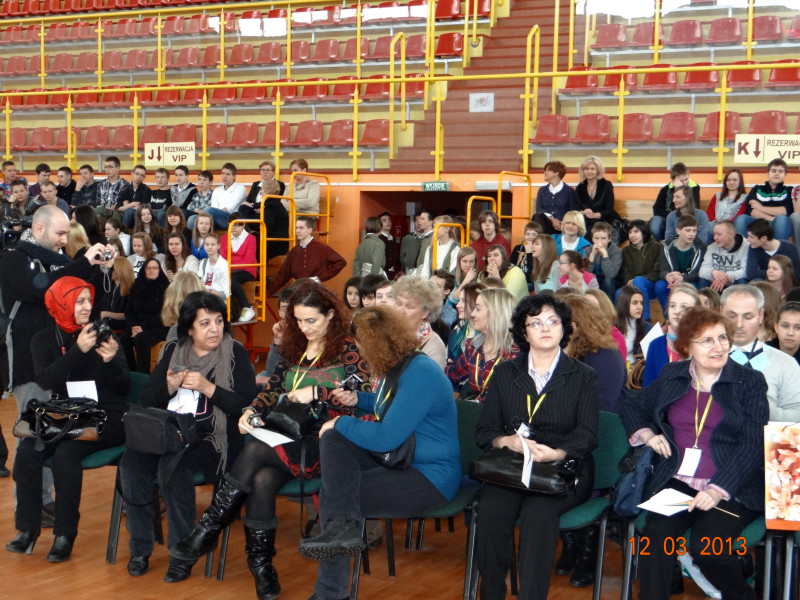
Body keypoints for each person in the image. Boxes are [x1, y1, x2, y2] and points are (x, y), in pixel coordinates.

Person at [170, 282, 370, 596]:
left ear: (331, 315)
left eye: (311, 320)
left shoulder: (350, 348)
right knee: (262, 479)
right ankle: (262, 567)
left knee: (257, 450)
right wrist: (252, 410)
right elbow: (273, 389)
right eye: (299, 321)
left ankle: (208, 529)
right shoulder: (295, 346)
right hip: (289, 436)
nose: (304, 328)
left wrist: (318, 392)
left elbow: (363, 396)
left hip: (330, 442)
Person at [299, 307, 460, 600]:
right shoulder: (400, 365)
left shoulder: (421, 373)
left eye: (360, 344)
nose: (359, 351)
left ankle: (330, 592)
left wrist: (341, 421)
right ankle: (338, 557)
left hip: (430, 477)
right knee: (334, 446)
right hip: (402, 459)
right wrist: (359, 399)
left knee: (336, 494)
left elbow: (386, 437)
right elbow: (390, 405)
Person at [619, 306, 769, 600]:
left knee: (707, 548)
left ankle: (742, 595)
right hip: (680, 482)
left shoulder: (749, 381)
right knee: (654, 538)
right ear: (687, 346)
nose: (718, 347)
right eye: (707, 341)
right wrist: (647, 435)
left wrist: (716, 489)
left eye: (722, 338)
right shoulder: (673, 375)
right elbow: (631, 405)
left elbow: (752, 445)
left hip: (732, 486)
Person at [120, 291, 256, 582]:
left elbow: (247, 405)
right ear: (189, 329)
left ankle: (182, 553)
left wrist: (209, 389)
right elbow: (147, 398)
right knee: (131, 464)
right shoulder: (174, 350)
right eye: (205, 323)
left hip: (213, 439)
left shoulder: (236, 353)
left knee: (174, 468)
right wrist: (168, 387)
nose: (214, 329)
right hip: (169, 431)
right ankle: (140, 547)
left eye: (218, 321)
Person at [475, 294, 599, 600]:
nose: (545, 328)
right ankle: (491, 593)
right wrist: (506, 441)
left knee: (538, 515)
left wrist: (557, 452)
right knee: (490, 510)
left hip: (564, 467)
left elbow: (587, 435)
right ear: (524, 331)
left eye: (553, 321)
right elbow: (485, 431)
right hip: (513, 466)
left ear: (564, 328)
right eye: (536, 323)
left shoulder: (583, 376)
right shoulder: (505, 373)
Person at [7, 277, 130, 562]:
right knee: (27, 451)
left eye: (89, 300)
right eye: (79, 301)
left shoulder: (103, 335)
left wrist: (112, 361)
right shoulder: (43, 339)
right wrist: (78, 350)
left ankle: (65, 534)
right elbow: (46, 380)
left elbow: (124, 387)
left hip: (106, 416)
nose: (87, 307)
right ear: (60, 305)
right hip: (65, 415)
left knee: (65, 455)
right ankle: (27, 528)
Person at [556, 294, 626, 588]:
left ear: (576, 324)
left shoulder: (606, 356)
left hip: (600, 440)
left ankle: (589, 551)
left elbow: (601, 409)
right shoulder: (562, 351)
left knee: (581, 476)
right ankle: (570, 544)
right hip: (569, 437)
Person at [721, 284, 800, 420]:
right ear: (720, 312)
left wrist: (761, 407)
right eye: (732, 315)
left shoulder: (786, 364)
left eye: (748, 317)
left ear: (760, 316)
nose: (739, 324)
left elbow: (796, 414)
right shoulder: (701, 357)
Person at [445, 287, 516, 402]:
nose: (472, 314)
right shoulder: (473, 346)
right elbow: (454, 374)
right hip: (477, 409)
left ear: (495, 314)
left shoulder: (516, 355)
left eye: (477, 309)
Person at [266, 216, 346, 295]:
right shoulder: (294, 251)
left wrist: (319, 278)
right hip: (298, 292)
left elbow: (340, 262)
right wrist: (268, 292)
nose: (298, 231)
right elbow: (283, 274)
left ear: (310, 230)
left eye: (301, 228)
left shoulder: (321, 248)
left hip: (315, 292)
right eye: (296, 228)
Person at [643, 283, 700, 387]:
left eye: (684, 307)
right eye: (673, 306)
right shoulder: (656, 345)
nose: (676, 311)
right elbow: (648, 389)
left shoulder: (703, 345)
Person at [119, 257, 169, 373]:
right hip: (137, 325)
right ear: (144, 270)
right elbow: (128, 312)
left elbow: (164, 314)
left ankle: (143, 374)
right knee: (123, 339)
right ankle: (130, 372)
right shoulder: (137, 285)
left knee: (141, 339)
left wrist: (143, 327)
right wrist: (133, 327)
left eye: (155, 268)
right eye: (148, 268)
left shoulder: (166, 287)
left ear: (160, 270)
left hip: (157, 326)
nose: (152, 270)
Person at [392, 275, 446, 369]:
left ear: (425, 312)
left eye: (409, 307)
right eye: (399, 303)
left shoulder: (434, 347)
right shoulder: (387, 332)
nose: (400, 311)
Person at [656, 214, 707, 311]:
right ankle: (668, 316)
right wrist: (667, 276)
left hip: (690, 280)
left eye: (694, 230)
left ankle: (688, 316)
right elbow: (663, 269)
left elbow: (698, 273)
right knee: (660, 286)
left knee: (693, 288)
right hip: (673, 280)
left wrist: (682, 279)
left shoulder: (701, 247)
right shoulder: (666, 246)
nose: (692, 234)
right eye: (688, 230)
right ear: (678, 231)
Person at [735, 157, 793, 240]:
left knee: (782, 219)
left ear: (785, 174)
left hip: (780, 224)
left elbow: (786, 211)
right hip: (757, 223)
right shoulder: (756, 189)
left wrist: (761, 208)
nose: (777, 173)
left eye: (780, 171)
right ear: (768, 173)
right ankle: (742, 248)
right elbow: (751, 211)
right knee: (741, 219)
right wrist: (772, 218)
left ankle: (779, 248)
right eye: (773, 171)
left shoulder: (789, 190)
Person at [219, 213, 258, 322]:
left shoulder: (250, 238)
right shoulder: (224, 238)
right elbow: (223, 259)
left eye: (236, 225)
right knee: (223, 278)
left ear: (243, 225)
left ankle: (247, 307)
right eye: (231, 225)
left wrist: (231, 263)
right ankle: (233, 313)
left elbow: (248, 261)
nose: (233, 228)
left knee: (228, 278)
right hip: (230, 271)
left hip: (247, 270)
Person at [618, 220, 660, 321]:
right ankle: (622, 323)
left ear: (644, 231)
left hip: (651, 286)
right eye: (630, 232)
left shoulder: (657, 247)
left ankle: (645, 320)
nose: (632, 235)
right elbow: (625, 270)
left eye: (636, 231)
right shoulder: (626, 251)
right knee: (618, 293)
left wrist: (638, 280)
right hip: (633, 285)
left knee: (639, 280)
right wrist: (629, 280)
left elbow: (657, 271)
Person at [649, 162, 701, 242]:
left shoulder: (694, 189)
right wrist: (670, 217)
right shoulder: (665, 190)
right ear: (674, 180)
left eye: (686, 179)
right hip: (667, 220)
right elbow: (657, 209)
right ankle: (660, 245)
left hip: (686, 219)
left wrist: (681, 189)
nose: (685, 183)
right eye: (681, 181)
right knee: (655, 222)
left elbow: (694, 207)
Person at [189, 163, 246, 230]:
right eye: (223, 173)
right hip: (216, 219)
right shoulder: (217, 190)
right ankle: (207, 234)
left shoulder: (240, 188)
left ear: (234, 176)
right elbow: (214, 207)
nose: (224, 176)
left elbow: (230, 208)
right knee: (191, 220)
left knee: (208, 210)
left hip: (231, 219)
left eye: (228, 174)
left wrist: (215, 213)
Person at [575, 155, 619, 241]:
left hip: (604, 220)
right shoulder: (580, 187)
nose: (589, 171)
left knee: (595, 230)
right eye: (586, 169)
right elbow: (576, 209)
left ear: (598, 170)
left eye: (592, 169)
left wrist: (596, 215)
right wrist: (584, 212)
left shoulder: (606, 185)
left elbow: (609, 210)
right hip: (586, 221)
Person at [698, 220, 750, 292]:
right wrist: (714, 272)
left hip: (734, 283)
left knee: (742, 280)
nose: (715, 238)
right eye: (714, 234)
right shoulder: (711, 247)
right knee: (703, 280)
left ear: (731, 235)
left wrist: (725, 277)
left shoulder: (746, 246)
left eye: (719, 234)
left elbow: (745, 271)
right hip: (717, 284)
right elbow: (702, 271)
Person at [745, 217, 800, 283]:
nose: (748, 240)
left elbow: (796, 274)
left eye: (751, 237)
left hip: (786, 284)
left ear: (763, 238)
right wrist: (776, 273)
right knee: (756, 281)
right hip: (767, 283)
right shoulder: (754, 248)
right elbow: (751, 273)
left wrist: (769, 273)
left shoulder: (789, 248)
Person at [532, 160, 579, 235]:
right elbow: (539, 209)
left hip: (563, 225)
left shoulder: (569, 191)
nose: (544, 173)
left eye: (548, 170)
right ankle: (543, 240)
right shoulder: (542, 190)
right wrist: (552, 219)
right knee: (537, 216)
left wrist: (562, 224)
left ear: (556, 172)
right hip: (546, 225)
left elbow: (573, 211)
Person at [614, 284, 653, 365]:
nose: (640, 307)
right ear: (624, 304)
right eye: (635, 303)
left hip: (636, 369)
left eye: (641, 303)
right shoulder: (612, 326)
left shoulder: (647, 328)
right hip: (616, 367)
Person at [583, 221, 621, 299]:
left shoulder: (616, 251)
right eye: (596, 238)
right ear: (592, 238)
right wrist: (592, 255)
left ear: (609, 238)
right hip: (595, 280)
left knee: (608, 281)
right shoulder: (587, 251)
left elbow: (610, 274)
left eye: (603, 238)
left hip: (612, 282)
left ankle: (609, 305)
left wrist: (605, 255)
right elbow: (586, 274)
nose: (599, 242)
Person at [585, 288, 627, 358]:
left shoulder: (616, 336)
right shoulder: (578, 333)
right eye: (584, 305)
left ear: (604, 309)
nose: (587, 309)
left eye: (593, 306)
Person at [100, 257, 134, 331]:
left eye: (112, 269)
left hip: (121, 328)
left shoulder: (130, 289)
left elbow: (127, 315)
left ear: (119, 271)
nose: (110, 272)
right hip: (108, 325)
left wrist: (106, 314)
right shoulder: (110, 287)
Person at [197, 233, 230, 299]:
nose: (210, 247)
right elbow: (199, 282)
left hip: (218, 300)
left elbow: (226, 294)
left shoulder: (224, 265)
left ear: (218, 246)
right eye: (207, 244)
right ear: (204, 246)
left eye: (213, 244)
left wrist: (210, 291)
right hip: (204, 298)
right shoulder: (203, 262)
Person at [510, 221, 541, 285]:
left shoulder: (539, 250)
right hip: (517, 279)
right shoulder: (518, 248)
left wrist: (529, 253)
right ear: (524, 235)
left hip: (530, 281)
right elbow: (511, 264)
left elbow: (533, 271)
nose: (530, 237)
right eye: (528, 234)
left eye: (534, 234)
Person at [377, 212, 401, 280]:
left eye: (389, 220)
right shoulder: (379, 239)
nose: (388, 222)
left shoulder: (392, 238)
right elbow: (379, 262)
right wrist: (391, 275)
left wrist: (398, 270)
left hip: (394, 273)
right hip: (382, 274)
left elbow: (395, 259)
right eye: (384, 220)